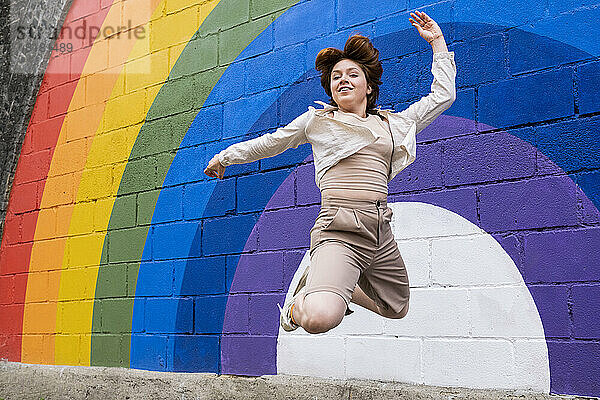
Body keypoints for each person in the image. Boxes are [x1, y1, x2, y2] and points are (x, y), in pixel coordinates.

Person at [204, 11, 456, 334]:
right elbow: (272, 142)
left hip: (379, 230)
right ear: (331, 88)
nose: (343, 80)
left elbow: (443, 96)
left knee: (397, 306)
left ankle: (339, 283)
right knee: (320, 318)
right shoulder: (319, 122)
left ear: (368, 86)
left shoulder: (395, 124)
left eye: (353, 74)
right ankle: (297, 306)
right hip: (339, 228)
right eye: (336, 76)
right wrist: (225, 157)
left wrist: (437, 41)